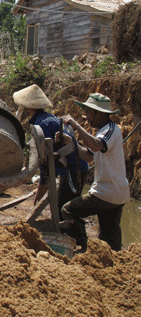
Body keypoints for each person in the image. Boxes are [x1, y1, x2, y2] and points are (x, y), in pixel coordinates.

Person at [59, 93, 129, 251]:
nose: (87, 117)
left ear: (100, 113)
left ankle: (83, 245)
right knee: (108, 235)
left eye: (89, 113)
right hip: (114, 192)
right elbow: (89, 156)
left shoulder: (111, 130)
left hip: (108, 191)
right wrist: (72, 143)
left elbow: (96, 146)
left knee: (68, 210)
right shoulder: (103, 131)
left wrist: (76, 126)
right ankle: (114, 260)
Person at [13, 84, 88, 218]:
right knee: (61, 208)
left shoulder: (43, 125)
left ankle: (75, 237)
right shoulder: (47, 118)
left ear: (29, 106)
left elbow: (46, 160)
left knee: (63, 211)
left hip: (73, 169)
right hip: (74, 166)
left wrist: (42, 187)